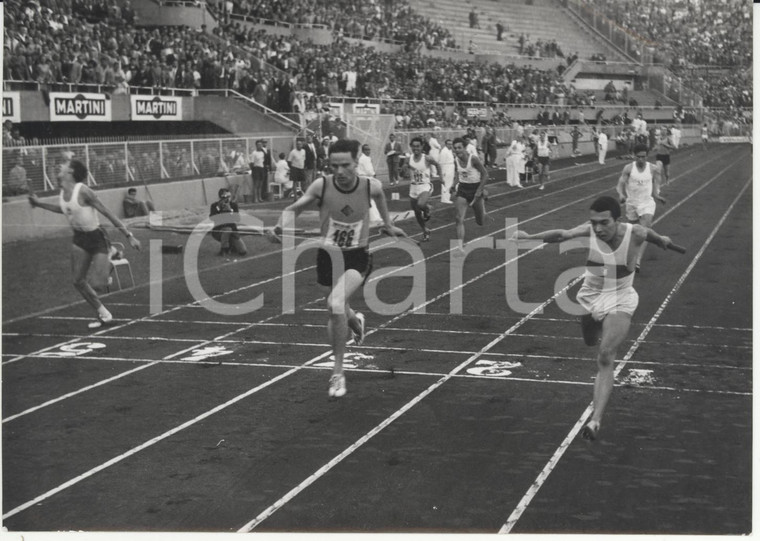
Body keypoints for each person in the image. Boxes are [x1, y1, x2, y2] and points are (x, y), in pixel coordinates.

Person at [512, 195, 679, 440]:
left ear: (618, 220)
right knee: (590, 340)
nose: (598, 229)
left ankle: (595, 420)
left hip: (621, 296)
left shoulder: (636, 233)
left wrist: (662, 240)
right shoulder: (590, 231)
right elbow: (561, 234)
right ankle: (592, 322)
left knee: (605, 354)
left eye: (604, 223)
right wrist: (528, 238)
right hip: (591, 294)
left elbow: (652, 236)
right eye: (594, 223)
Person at [267, 139, 406, 398]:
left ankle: (337, 372)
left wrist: (387, 223)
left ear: (357, 163)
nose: (340, 172)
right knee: (337, 308)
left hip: (357, 258)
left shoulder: (369, 186)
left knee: (334, 303)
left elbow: (380, 197)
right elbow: (292, 208)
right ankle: (356, 321)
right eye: (334, 166)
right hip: (327, 257)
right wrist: (278, 227)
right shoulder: (322, 185)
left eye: (346, 166)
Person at [28, 159, 142, 329]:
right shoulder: (63, 192)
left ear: (71, 172)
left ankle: (111, 253)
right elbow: (63, 209)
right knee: (78, 281)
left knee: (99, 284)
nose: (60, 166)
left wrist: (129, 235)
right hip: (79, 239)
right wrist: (39, 204)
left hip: (97, 237)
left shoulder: (84, 191)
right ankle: (104, 313)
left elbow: (107, 212)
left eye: (64, 165)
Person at [617, 143, 666, 273]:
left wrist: (657, 195)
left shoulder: (652, 169)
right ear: (634, 156)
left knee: (645, 228)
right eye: (638, 157)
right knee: (633, 232)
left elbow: (656, 184)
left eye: (643, 157)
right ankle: (630, 254)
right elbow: (620, 184)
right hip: (632, 203)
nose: (641, 160)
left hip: (646, 202)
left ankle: (637, 259)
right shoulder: (628, 168)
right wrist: (621, 194)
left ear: (647, 156)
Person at [452, 136, 489, 256]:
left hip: (475, 189)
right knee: (458, 218)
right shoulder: (455, 159)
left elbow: (485, 174)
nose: (457, 150)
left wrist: (479, 190)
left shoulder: (473, 159)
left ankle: (482, 207)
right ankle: (460, 247)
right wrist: (454, 184)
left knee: (480, 222)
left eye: (459, 148)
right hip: (463, 189)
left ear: (465, 148)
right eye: (455, 148)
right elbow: (458, 173)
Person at [404, 136, 439, 242]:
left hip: (425, 185)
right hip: (413, 187)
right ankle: (425, 230)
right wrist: (405, 169)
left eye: (418, 146)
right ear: (411, 147)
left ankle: (427, 209)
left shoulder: (427, 158)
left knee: (420, 205)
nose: (416, 148)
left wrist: (441, 177)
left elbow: (437, 165)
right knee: (417, 212)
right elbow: (404, 171)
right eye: (414, 146)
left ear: (422, 146)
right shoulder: (408, 158)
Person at [210, 188, 248, 257]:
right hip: (219, 231)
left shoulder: (233, 205)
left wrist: (230, 210)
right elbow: (212, 218)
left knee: (243, 251)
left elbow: (237, 219)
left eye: (229, 197)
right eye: (225, 197)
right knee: (227, 229)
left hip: (232, 231)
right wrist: (218, 209)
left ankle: (231, 245)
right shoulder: (214, 206)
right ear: (220, 197)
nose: (227, 199)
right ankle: (223, 249)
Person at [438, 139, 456, 204]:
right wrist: (443, 172)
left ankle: (447, 197)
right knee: (446, 184)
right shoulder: (444, 151)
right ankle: (444, 198)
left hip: (451, 167)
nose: (450, 145)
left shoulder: (450, 151)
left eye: (451, 144)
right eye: (449, 144)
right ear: (446, 144)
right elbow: (441, 163)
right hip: (446, 168)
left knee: (450, 183)